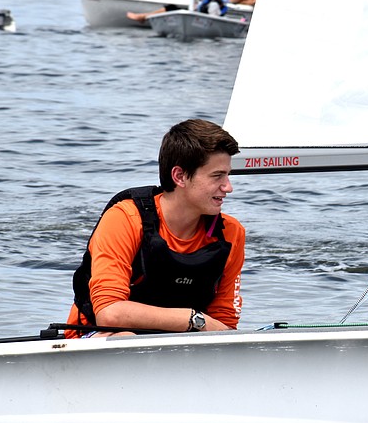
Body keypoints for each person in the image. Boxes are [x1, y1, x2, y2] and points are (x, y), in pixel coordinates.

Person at [65, 119, 245, 338]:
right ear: (179, 176)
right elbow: (109, 313)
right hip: (97, 337)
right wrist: (193, 319)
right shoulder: (125, 219)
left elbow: (223, 326)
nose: (229, 187)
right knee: (126, 338)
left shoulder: (231, 233)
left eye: (228, 175)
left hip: (176, 343)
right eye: (217, 176)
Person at [126, 0, 255, 23]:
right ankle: (143, 17)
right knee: (170, 7)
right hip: (205, 7)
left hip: (213, 7)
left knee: (171, 7)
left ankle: (143, 17)